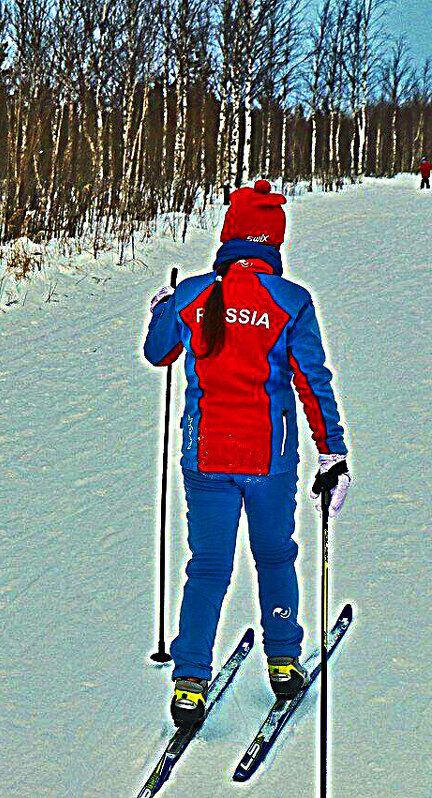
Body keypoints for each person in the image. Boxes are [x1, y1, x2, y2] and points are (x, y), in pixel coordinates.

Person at [143, 180, 352, 727]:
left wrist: (162, 310)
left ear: (229, 237)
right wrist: (333, 455)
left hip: (206, 456)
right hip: (270, 458)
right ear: (273, 242)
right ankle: (283, 662)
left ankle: (190, 681)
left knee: (207, 566)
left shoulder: (191, 293)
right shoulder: (291, 301)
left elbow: (157, 351)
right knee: (275, 556)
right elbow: (313, 380)